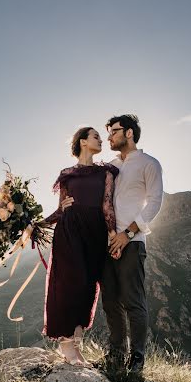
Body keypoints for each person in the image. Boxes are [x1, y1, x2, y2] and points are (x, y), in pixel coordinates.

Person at [62, 114, 163, 373]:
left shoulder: (149, 164)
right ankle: (116, 354)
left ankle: (137, 359)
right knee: (110, 301)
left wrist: (127, 234)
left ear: (129, 133)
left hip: (131, 241)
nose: (109, 137)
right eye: (106, 133)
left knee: (132, 300)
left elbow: (154, 203)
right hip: (105, 242)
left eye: (114, 132)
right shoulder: (110, 167)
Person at [43, 127, 119, 365]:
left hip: (94, 233)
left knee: (87, 285)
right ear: (83, 142)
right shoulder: (67, 174)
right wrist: (37, 223)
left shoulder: (107, 172)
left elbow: (107, 207)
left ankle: (76, 345)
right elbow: (61, 208)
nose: (101, 140)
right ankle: (66, 345)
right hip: (69, 232)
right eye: (96, 136)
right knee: (69, 284)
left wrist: (113, 235)